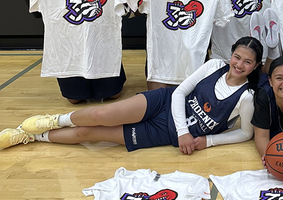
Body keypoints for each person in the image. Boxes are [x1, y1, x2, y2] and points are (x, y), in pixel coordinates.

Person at [1, 38, 264, 154]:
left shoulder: (247, 97)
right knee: (99, 114)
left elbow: (245, 134)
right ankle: (55, 120)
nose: (239, 64)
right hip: (163, 103)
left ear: (256, 66)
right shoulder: (214, 66)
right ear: (230, 55)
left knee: (88, 134)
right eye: (237, 57)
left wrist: (207, 142)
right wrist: (185, 131)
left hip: (165, 133)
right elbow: (181, 92)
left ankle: (32, 137)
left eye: (247, 62)